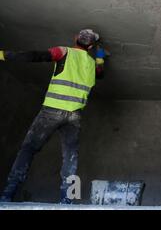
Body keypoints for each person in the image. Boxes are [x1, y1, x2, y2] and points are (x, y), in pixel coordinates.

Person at [0, 29, 106, 204]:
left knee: (28, 149)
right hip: (74, 116)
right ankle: (67, 201)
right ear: (92, 46)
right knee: (70, 156)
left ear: (75, 39)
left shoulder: (64, 52)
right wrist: (101, 55)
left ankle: (7, 195)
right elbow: (100, 73)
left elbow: (35, 56)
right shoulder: (92, 63)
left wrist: (3, 55)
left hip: (51, 111)